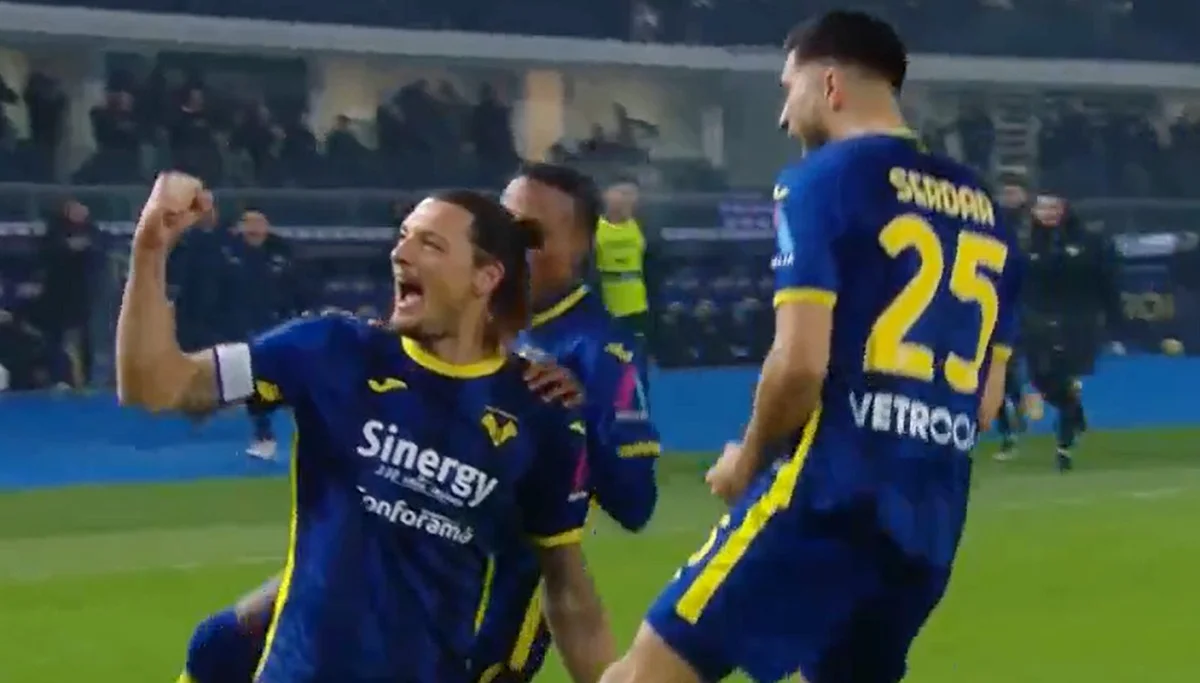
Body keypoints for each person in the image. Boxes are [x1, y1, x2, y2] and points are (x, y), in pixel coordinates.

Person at [599, 11, 1021, 683]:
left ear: (829, 85)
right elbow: (986, 402)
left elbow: (799, 365)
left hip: (828, 496)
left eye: (786, 89)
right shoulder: (988, 210)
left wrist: (747, 460)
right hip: (931, 518)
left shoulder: (824, 179)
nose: (782, 116)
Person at [119, 172, 612, 683]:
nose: (401, 254)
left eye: (430, 245)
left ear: (485, 277)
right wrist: (150, 249)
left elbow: (568, 593)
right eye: (403, 237)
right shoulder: (331, 349)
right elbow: (155, 385)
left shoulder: (539, 411)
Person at [471, 162, 660, 683]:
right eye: (502, 226)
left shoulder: (600, 351)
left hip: (500, 605)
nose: (510, 246)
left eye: (531, 235)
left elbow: (635, 503)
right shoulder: (464, 314)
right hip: (414, 576)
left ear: (581, 246)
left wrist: (577, 419)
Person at [1021, 193, 1121, 472]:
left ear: (1065, 209)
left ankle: (1063, 449)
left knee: (1065, 376)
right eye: (1042, 207)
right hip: (1037, 323)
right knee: (1041, 380)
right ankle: (1075, 412)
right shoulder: (1026, 244)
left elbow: (1107, 282)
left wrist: (1114, 321)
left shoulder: (1088, 241)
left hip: (1078, 322)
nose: (1048, 212)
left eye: (1054, 206)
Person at [595, 179, 652, 391]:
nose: (627, 199)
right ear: (607, 195)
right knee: (606, 363)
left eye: (631, 195)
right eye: (622, 193)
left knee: (636, 363)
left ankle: (637, 402)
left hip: (636, 307)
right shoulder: (594, 228)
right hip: (604, 308)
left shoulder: (642, 226)